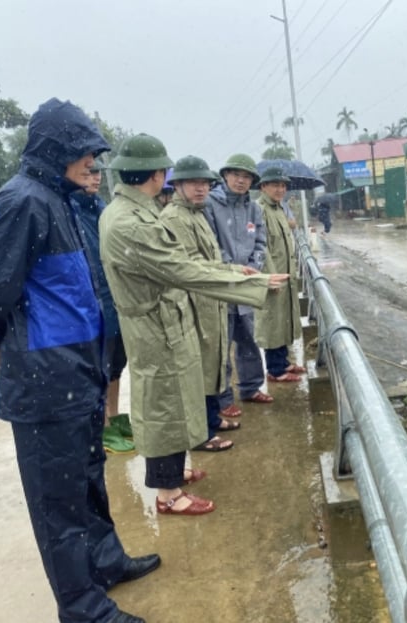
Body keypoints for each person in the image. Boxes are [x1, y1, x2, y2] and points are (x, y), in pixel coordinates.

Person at [0, 98, 157, 623]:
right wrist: (4, 344)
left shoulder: (60, 198)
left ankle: (105, 561)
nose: (93, 162)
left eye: (96, 153)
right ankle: (83, 607)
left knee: (88, 479)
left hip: (77, 371)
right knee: (57, 504)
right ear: (55, 150)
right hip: (44, 378)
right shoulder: (23, 201)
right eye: (85, 151)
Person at [98, 135, 288, 516]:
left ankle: (174, 474)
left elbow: (198, 261)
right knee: (164, 405)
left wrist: (237, 271)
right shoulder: (132, 222)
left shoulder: (138, 211)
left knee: (174, 401)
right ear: (159, 175)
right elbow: (182, 268)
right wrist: (250, 282)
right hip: (155, 322)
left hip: (165, 317)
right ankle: (168, 495)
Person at [160, 155, 245, 445]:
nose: (201, 189)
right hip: (194, 303)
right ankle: (201, 434)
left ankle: (211, 419)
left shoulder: (197, 213)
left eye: (205, 184)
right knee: (197, 369)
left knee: (212, 362)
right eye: (193, 183)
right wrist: (234, 275)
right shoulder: (174, 218)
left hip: (210, 300)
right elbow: (192, 265)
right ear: (177, 185)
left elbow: (211, 256)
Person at [72, 159, 134, 453]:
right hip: (91, 305)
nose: (94, 178)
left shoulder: (100, 207)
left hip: (115, 299)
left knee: (116, 367)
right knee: (99, 368)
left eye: (97, 172)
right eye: (89, 172)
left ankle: (115, 417)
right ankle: (102, 429)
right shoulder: (68, 210)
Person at [204, 153, 273, 407]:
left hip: (247, 284)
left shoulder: (253, 208)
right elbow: (210, 243)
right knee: (222, 344)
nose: (241, 181)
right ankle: (222, 398)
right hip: (221, 283)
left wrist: (252, 267)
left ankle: (251, 387)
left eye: (246, 177)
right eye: (236, 175)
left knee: (249, 339)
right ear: (225, 176)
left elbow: (260, 243)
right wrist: (232, 269)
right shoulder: (211, 204)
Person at [255, 167, 306, 382]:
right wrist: (270, 276)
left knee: (284, 319)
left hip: (286, 275)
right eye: (275, 185)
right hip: (273, 276)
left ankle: (283, 361)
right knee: (272, 321)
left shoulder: (278, 209)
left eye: (283, 185)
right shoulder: (259, 210)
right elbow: (262, 247)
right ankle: (275, 370)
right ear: (263, 186)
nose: (280, 189)